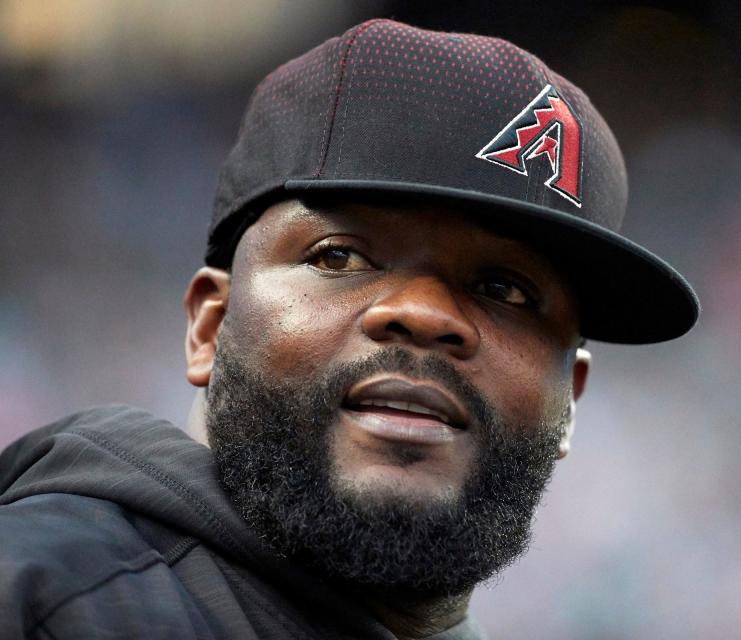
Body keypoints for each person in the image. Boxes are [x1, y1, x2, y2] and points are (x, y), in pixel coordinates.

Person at [0, 19, 698, 640]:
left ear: (570, 399)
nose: (425, 314)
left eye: (504, 289)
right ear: (209, 329)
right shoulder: (40, 597)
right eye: (340, 256)